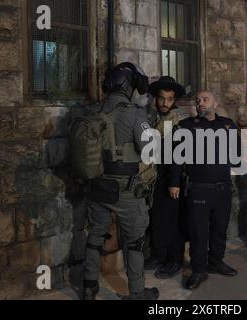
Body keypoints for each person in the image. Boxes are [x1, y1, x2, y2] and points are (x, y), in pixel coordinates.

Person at [82, 62, 159, 300]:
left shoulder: (94, 112)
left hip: (98, 185)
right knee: (135, 243)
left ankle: (88, 288)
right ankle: (137, 294)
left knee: (95, 236)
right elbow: (150, 150)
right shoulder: (135, 113)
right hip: (127, 189)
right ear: (128, 86)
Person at [168, 91, 240, 290]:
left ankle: (216, 262)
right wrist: (174, 182)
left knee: (219, 229)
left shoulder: (228, 125)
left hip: (223, 189)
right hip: (198, 189)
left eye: (205, 100)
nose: (200, 103)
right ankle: (198, 270)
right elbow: (175, 158)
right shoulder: (186, 127)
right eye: (197, 101)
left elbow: (237, 152)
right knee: (198, 232)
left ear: (215, 103)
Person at [144, 76, 187, 278]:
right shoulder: (154, 119)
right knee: (158, 219)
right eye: (161, 98)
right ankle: (158, 255)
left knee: (173, 220)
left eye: (169, 99)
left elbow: (177, 156)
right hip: (156, 177)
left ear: (174, 100)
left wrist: (174, 182)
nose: (165, 103)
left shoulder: (176, 123)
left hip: (171, 179)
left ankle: (174, 260)